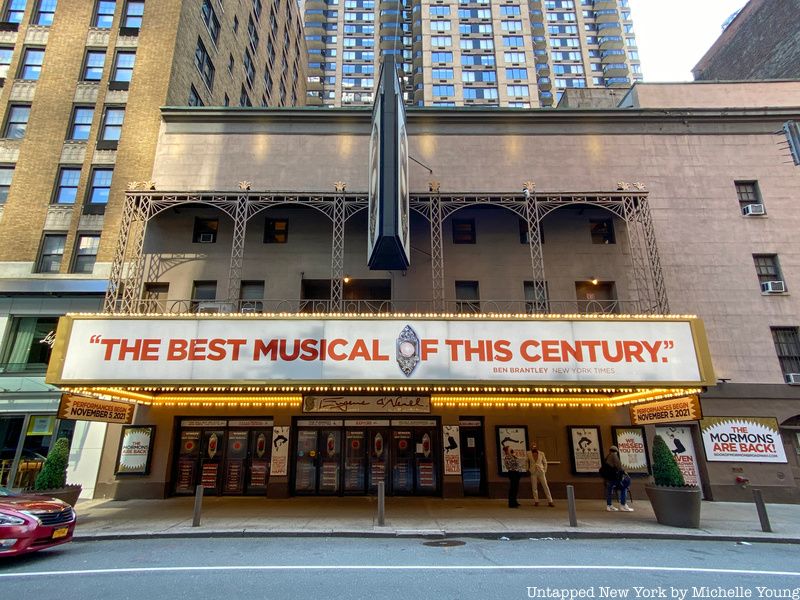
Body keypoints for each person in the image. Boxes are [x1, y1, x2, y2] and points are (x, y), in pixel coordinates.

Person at [602, 445, 633, 512]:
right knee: (624, 488)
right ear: (616, 451)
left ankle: (609, 506)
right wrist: (625, 472)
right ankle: (623, 505)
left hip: (607, 478)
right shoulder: (614, 456)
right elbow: (619, 467)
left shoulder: (607, 457)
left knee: (609, 491)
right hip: (614, 478)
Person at [526, 442, 554, 507]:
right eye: (532, 446)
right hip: (533, 471)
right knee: (534, 487)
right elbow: (526, 461)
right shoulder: (528, 453)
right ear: (531, 447)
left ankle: (550, 501)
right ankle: (536, 501)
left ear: (536, 447)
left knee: (545, 486)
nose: (533, 447)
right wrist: (527, 469)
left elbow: (545, 462)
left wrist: (544, 470)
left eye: (534, 446)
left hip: (541, 471)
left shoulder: (541, 453)